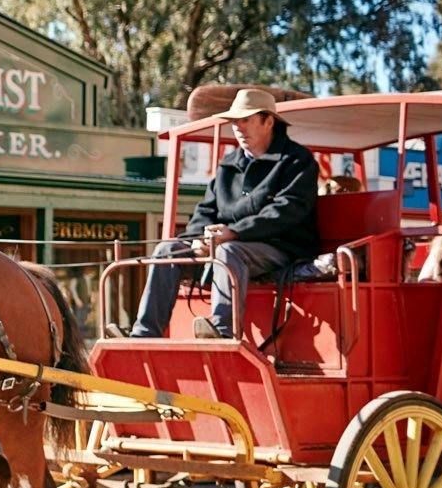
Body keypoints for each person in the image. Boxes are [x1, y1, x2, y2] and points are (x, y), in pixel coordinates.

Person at [126, 87, 320, 340]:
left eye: (245, 120)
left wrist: (234, 233)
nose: (238, 127)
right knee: (167, 250)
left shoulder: (297, 161)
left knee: (229, 252)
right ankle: (144, 334)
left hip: (280, 248)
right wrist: (199, 239)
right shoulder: (229, 165)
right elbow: (207, 209)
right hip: (224, 244)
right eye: (235, 122)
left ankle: (223, 332)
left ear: (268, 121)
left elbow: (286, 211)